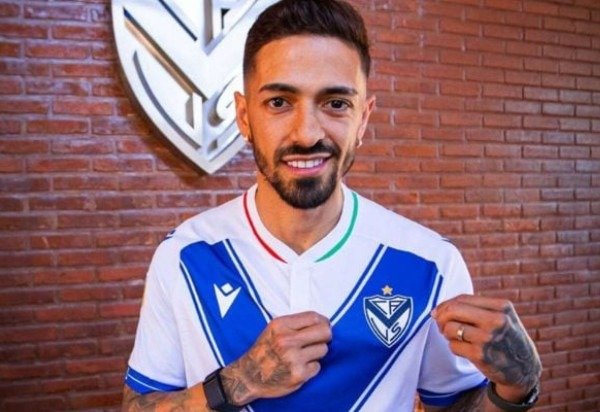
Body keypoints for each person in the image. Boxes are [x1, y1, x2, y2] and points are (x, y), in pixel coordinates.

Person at [122, 0, 542, 410]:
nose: (307, 133)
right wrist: (239, 381)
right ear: (245, 117)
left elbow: (453, 405)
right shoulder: (184, 255)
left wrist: (515, 389)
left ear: (363, 119)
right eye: (279, 102)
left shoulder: (430, 262)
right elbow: (136, 406)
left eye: (336, 104)